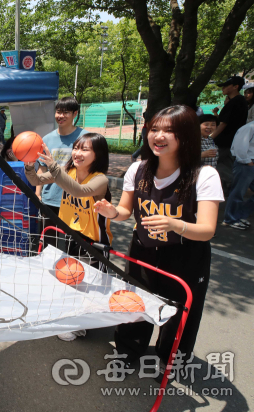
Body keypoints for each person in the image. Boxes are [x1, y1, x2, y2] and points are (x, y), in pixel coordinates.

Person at [93, 105, 223, 371]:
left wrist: (175, 224)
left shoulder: (204, 175)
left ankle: (170, 359)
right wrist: (111, 211)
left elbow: (208, 229)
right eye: (154, 129)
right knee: (135, 302)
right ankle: (128, 351)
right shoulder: (138, 169)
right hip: (143, 249)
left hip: (186, 256)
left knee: (179, 311)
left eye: (169, 131)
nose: (158, 136)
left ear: (185, 136)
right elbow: (126, 211)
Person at [26, 133, 112, 342]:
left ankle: (81, 325)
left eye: (85, 149)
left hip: (94, 241)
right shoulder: (68, 170)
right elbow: (36, 180)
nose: (77, 153)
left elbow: (79, 191)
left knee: (89, 285)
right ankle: (75, 321)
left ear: (97, 154)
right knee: (73, 279)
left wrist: (54, 167)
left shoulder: (100, 179)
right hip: (74, 234)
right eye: (76, 148)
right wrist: (30, 164)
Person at [35, 97, 88, 249]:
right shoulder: (47, 139)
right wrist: (38, 193)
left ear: (75, 114)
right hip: (50, 199)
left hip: (76, 201)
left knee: (75, 245)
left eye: (66, 112)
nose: (61, 116)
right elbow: (42, 168)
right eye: (58, 112)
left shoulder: (85, 138)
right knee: (48, 244)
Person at [210, 76, 248, 190]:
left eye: (226, 86)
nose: (223, 88)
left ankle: (237, 185)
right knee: (225, 164)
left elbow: (223, 124)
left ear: (235, 87)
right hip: (233, 140)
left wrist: (210, 138)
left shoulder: (235, 102)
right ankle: (230, 187)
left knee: (215, 163)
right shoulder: (240, 101)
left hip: (225, 141)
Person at [222, 122, 254, 230]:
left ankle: (240, 215)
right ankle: (231, 218)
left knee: (239, 192)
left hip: (249, 162)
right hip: (246, 162)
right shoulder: (249, 127)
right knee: (238, 191)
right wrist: (248, 162)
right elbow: (240, 147)